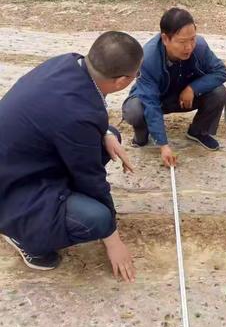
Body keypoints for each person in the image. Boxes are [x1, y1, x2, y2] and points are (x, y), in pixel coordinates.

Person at [0, 31, 142, 282]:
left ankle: (49, 204)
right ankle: (22, 234)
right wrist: (113, 238)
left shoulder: (67, 62)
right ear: (121, 82)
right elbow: (91, 179)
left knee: (110, 136)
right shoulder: (77, 114)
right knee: (97, 218)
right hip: (12, 188)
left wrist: (106, 131)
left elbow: (78, 121)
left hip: (23, 161)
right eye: (135, 75)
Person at [122, 8, 226, 167]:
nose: (189, 47)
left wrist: (193, 88)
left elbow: (220, 72)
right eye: (182, 42)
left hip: (184, 98)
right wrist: (163, 145)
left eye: (192, 39)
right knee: (135, 110)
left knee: (219, 92)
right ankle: (142, 134)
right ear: (165, 39)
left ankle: (199, 131)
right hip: (157, 99)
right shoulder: (148, 58)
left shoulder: (200, 47)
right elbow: (150, 102)